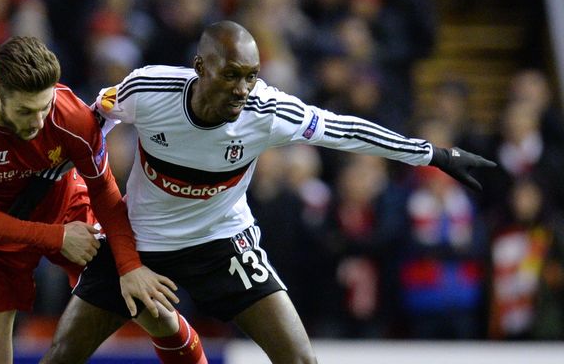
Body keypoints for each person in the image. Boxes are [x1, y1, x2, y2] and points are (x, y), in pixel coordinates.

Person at [42, 20, 496, 364]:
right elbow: (95, 112)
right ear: (200, 67)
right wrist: (64, 158)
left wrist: (433, 154)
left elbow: (344, 130)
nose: (244, 88)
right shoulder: (150, 88)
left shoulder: (267, 110)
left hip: (223, 244)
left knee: (300, 359)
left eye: (252, 76)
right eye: (233, 75)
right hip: (140, 243)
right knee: (62, 354)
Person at [0, 36, 208, 364]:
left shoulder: (71, 116)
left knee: (158, 313)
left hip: (67, 213)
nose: (38, 121)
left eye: (44, 106)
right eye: (25, 111)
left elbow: (105, 192)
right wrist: (56, 238)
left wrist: (129, 266)